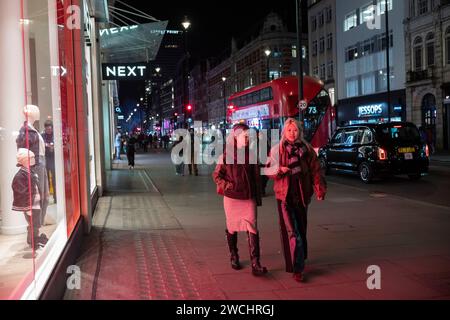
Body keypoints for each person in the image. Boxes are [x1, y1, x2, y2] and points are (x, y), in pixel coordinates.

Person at [266, 118, 327, 283]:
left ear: (299, 132)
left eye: (295, 130)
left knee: (302, 230)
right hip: (284, 197)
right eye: (289, 130)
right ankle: (298, 269)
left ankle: (300, 258)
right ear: (284, 132)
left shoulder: (307, 150)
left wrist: (319, 190)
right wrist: (279, 170)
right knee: (294, 233)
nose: (292, 134)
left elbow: (316, 171)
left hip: (302, 196)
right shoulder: (276, 150)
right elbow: (268, 170)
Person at [213, 124, 268, 277]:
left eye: (249, 136)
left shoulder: (252, 154)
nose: (248, 138)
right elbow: (217, 176)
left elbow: (259, 174)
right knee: (232, 227)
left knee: (252, 227)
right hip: (232, 197)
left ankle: (255, 263)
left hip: (248, 196)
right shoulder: (225, 156)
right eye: (245, 136)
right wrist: (228, 185)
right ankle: (234, 255)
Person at [12, 149, 48, 250]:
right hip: (31, 205)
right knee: (34, 224)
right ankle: (33, 241)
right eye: (31, 158)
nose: (34, 159)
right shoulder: (20, 176)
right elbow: (21, 194)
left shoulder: (30, 172)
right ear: (24, 160)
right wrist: (27, 208)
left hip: (35, 203)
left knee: (35, 223)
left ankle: (33, 239)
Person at [42, 120, 56, 203]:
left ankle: (56, 198)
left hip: (54, 159)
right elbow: (41, 144)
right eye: (47, 129)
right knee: (45, 180)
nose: (49, 131)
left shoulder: (55, 135)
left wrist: (53, 146)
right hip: (46, 159)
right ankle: (46, 199)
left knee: (55, 179)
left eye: (50, 129)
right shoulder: (42, 136)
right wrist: (47, 145)